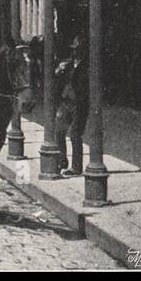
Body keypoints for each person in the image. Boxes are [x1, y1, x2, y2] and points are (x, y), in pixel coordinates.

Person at [54, 35, 88, 177]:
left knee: (75, 134)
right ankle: (62, 161)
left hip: (78, 104)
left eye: (78, 49)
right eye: (74, 49)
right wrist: (57, 71)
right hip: (65, 101)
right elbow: (57, 80)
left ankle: (76, 167)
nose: (76, 52)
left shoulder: (87, 66)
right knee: (59, 131)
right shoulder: (67, 64)